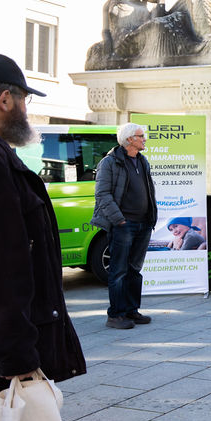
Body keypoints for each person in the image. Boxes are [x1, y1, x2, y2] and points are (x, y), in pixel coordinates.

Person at [0, 52, 85, 402]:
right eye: (24, 100)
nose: (26, 110)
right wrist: (16, 354)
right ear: (4, 100)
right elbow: (3, 266)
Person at [92, 121, 158, 329]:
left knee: (134, 270)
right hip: (123, 224)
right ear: (130, 139)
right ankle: (116, 315)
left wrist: (150, 217)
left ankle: (131, 310)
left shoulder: (142, 161)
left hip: (143, 224)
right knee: (119, 271)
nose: (144, 138)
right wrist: (119, 220)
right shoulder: (109, 163)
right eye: (141, 136)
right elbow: (102, 194)